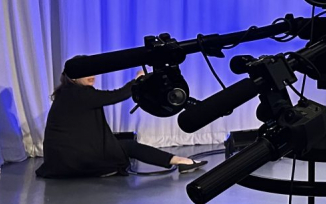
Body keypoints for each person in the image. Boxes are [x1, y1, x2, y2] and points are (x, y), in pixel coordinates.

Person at [36, 68, 205, 178]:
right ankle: (180, 161)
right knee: (129, 146)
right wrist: (136, 82)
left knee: (121, 145)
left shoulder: (67, 94)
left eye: (92, 70)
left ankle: (178, 161)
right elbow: (116, 96)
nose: (91, 74)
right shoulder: (78, 94)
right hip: (75, 160)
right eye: (84, 72)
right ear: (72, 77)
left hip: (59, 161)